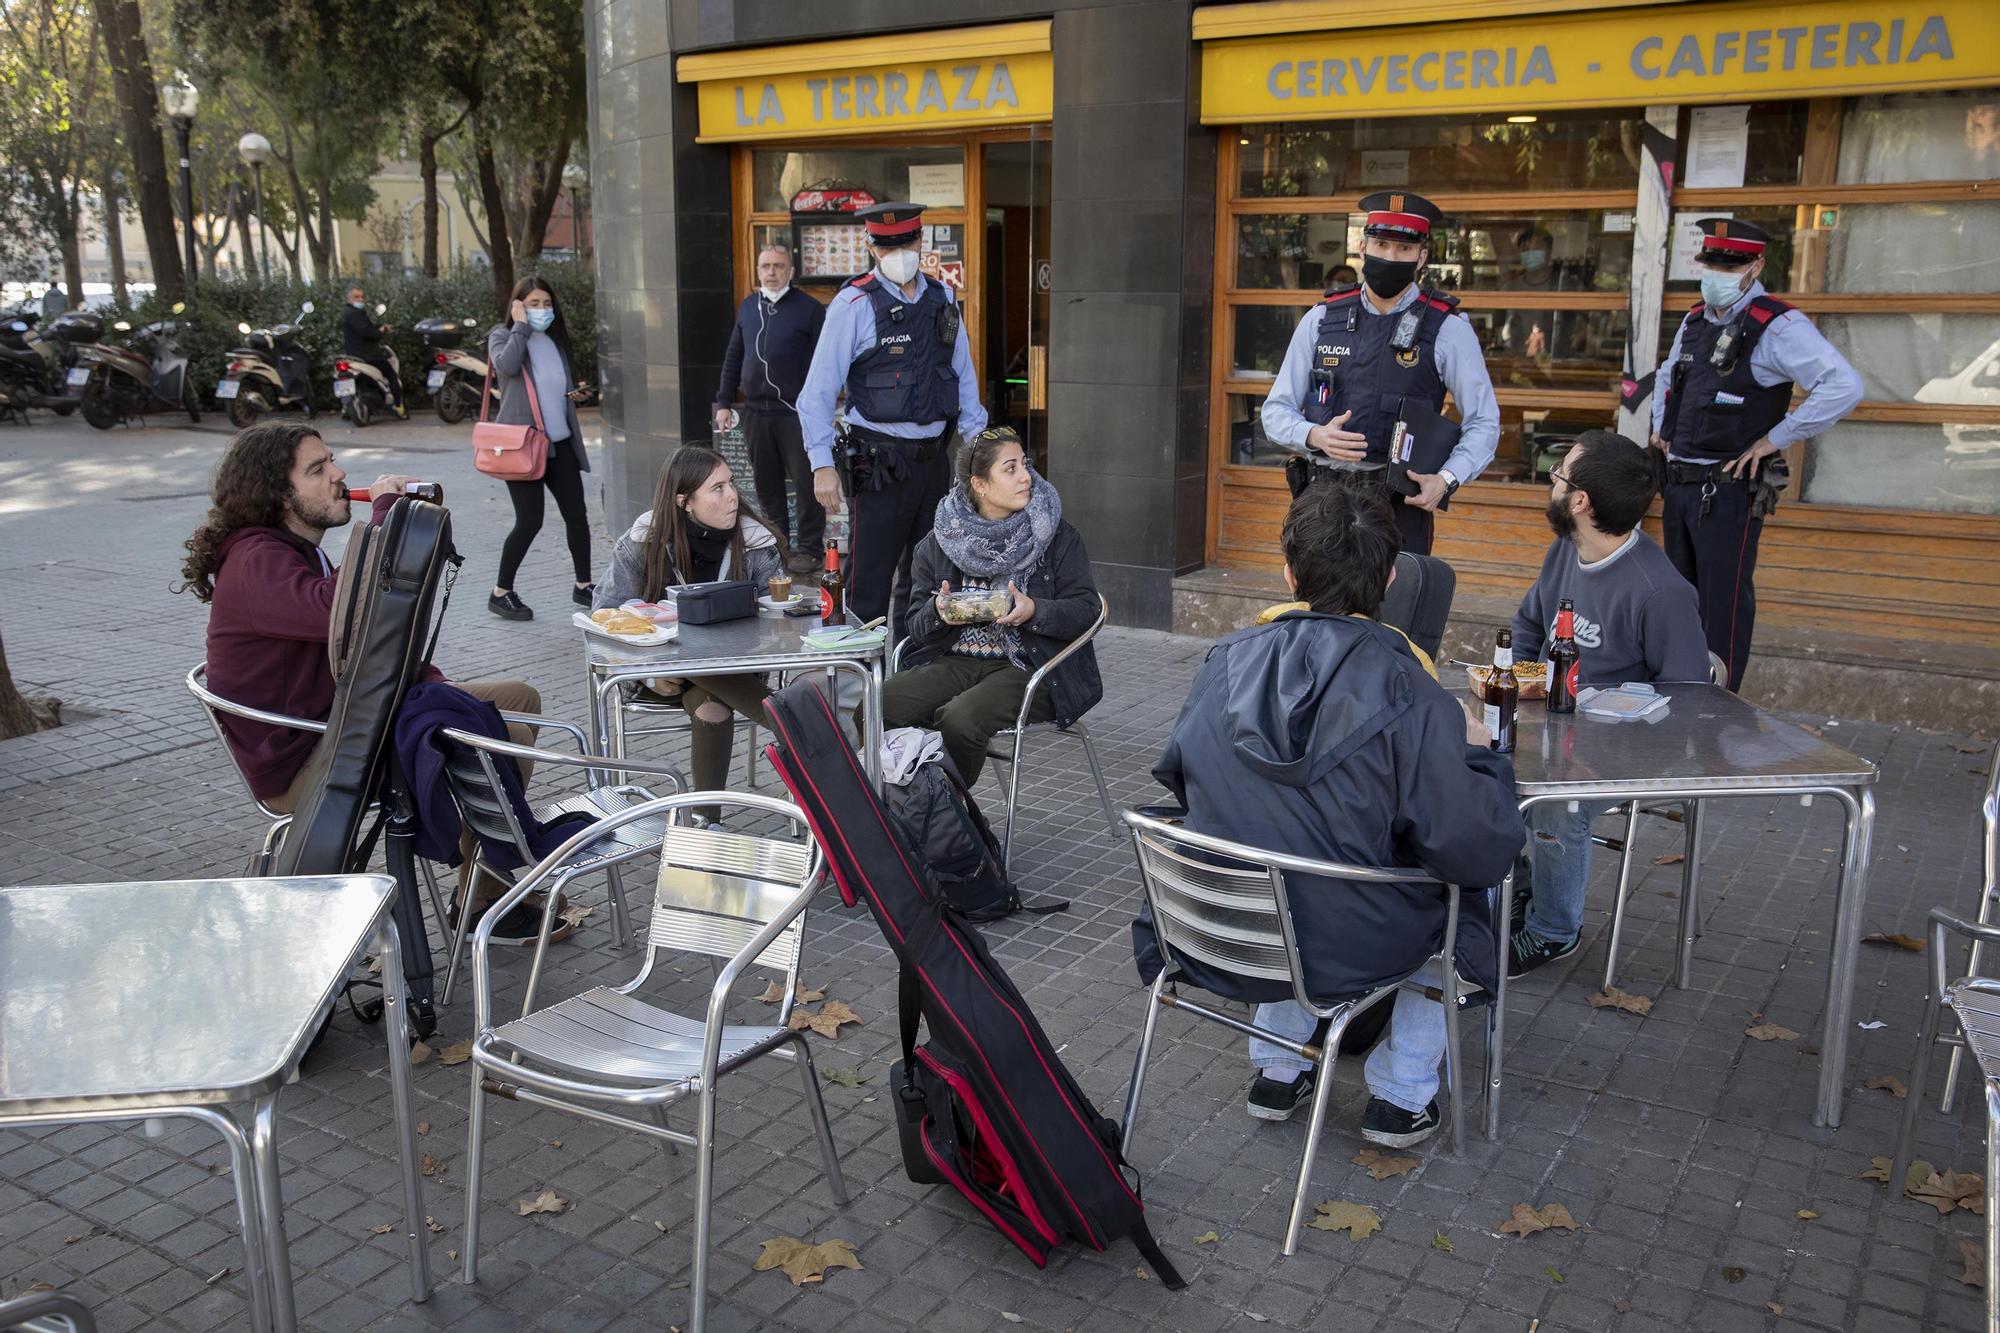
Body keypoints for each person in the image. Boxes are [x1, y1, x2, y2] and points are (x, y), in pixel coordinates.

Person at [1137, 479, 1521, 1147]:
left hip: (1216, 928)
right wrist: (1483, 756)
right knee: (1468, 882)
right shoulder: (1416, 690)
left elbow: (1177, 776)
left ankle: (1279, 1068)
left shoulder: (1224, 660)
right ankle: (1402, 1094)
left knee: (1276, 841)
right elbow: (1476, 845)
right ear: (1393, 578)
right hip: (1350, 942)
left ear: (1289, 573)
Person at [178, 422, 565, 945]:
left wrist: (434, 687)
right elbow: (344, 613)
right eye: (317, 469)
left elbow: (368, 646)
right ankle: (483, 899)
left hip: (345, 723)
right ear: (277, 494)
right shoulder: (255, 561)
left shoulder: (294, 550)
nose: (339, 476)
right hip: (309, 758)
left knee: (518, 699)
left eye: (331, 460)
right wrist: (385, 517)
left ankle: (480, 887)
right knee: (503, 738)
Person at [1505, 429, 1710, 975]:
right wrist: (1520, 687)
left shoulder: (1659, 591)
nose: (1549, 482)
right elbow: (1528, 625)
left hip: (1626, 752)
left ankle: (1553, 931)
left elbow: (1689, 702)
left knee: (1555, 800)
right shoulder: (1565, 549)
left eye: (1558, 474)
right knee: (1453, 759)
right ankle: (1520, 885)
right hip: (1549, 727)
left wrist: (1606, 747)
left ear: (1579, 501)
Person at [1651, 218, 1862, 690]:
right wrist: (1659, 431)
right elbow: (1669, 377)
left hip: (1727, 493)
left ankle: (1717, 711)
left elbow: (1843, 386)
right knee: (1677, 600)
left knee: (1721, 606)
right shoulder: (1694, 320)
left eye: (1733, 264)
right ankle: (1678, 698)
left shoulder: (1778, 325)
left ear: (1756, 265)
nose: (1719, 273)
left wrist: (1777, 438)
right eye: (1711, 262)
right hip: (1681, 482)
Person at [1260, 190, 1499, 555]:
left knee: (1394, 612)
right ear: (1362, 247)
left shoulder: (1448, 328)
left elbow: (1484, 421)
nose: (1391, 256)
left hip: (1397, 508)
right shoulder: (1322, 320)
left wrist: (1446, 479)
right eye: (1382, 244)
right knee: (1317, 608)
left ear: (1422, 257)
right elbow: (1275, 411)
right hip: (1323, 499)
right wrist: (1313, 435)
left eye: (1404, 249)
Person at [798, 201, 988, 638]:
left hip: (935, 463)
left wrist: (979, 448)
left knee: (927, 582)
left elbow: (962, 374)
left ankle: (911, 679)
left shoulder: (942, 297)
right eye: (885, 245)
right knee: (869, 583)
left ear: (921, 241)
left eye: (905, 241)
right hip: (880, 465)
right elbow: (817, 393)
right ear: (870, 246)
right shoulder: (853, 303)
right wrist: (821, 463)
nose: (897, 252)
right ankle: (859, 688)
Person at [879, 427, 1101, 787]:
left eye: (1024, 465)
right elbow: (915, 627)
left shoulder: (1058, 536)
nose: (1026, 476)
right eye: (1010, 469)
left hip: (1033, 666)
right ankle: (894, 804)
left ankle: (949, 815)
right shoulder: (939, 541)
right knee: (875, 707)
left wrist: (1035, 611)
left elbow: (1087, 611)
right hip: (954, 659)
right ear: (979, 485)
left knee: (960, 719)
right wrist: (939, 611)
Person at [594, 445, 787, 819]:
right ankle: (792, 724)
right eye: (718, 489)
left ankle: (705, 823)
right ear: (685, 501)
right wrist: (650, 674)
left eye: (731, 484)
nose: (733, 496)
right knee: (693, 661)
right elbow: (605, 616)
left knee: (713, 709)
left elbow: (775, 622)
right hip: (659, 675)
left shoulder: (755, 542)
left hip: (735, 671)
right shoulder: (642, 541)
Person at [487, 276, 595, 622]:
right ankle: (500, 592)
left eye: (547, 303)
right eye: (533, 303)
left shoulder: (554, 342)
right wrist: (520, 325)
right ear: (518, 305)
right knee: (529, 521)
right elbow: (505, 366)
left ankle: (584, 585)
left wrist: (574, 394)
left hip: (559, 444)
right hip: (524, 447)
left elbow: (553, 389)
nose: (542, 310)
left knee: (577, 516)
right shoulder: (503, 336)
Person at [715, 244, 827, 574]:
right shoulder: (749, 308)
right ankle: (777, 546)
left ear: (791, 271)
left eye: (779, 266)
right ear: (758, 270)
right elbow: (734, 357)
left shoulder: (809, 309)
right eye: (765, 266)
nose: (772, 272)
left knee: (807, 484)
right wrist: (723, 401)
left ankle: (809, 550)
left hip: (796, 413)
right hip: (756, 413)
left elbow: (825, 362)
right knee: (767, 485)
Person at [339, 284, 407, 419]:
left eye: (361, 297)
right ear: (348, 299)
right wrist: (380, 331)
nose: (360, 300)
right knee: (391, 375)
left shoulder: (348, 313)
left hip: (352, 355)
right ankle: (399, 407)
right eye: (356, 297)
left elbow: (366, 328)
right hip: (368, 355)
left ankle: (345, 409)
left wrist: (381, 328)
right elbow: (367, 333)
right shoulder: (356, 313)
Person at [1501, 226, 1567, 360]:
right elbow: (1500, 325)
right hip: (1516, 360)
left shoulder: (1563, 285)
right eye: (1525, 249)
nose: (1529, 253)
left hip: (1555, 360)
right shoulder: (1510, 287)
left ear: (1549, 251)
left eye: (1535, 249)